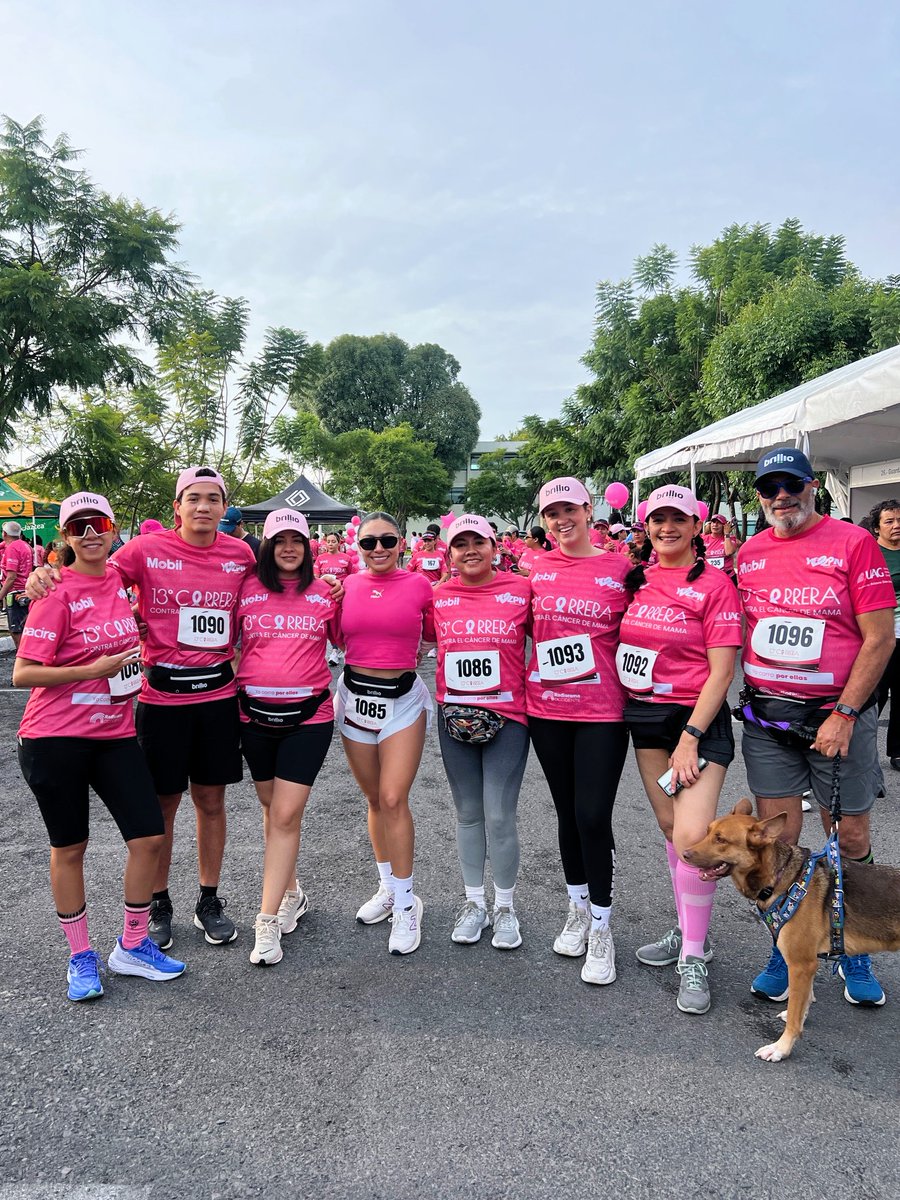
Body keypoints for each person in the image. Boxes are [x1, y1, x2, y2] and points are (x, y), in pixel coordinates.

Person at [736, 448, 895, 1006]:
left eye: (792, 484)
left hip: (837, 716)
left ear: (812, 488)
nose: (781, 495)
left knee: (848, 839)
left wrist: (846, 713)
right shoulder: (749, 552)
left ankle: (854, 949)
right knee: (777, 840)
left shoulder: (854, 543)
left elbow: (880, 638)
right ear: (760, 496)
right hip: (768, 719)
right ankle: (787, 947)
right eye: (769, 487)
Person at [14, 492, 185, 1001]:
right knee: (71, 848)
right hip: (54, 738)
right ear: (65, 537)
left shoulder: (114, 579)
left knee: (148, 837)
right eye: (78, 527)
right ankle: (80, 956)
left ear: (112, 531)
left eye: (100, 524)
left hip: (113, 735)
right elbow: (24, 673)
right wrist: (91, 670)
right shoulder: (54, 591)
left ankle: (131, 947)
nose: (90, 533)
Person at [619, 485, 742, 1014]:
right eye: (658, 519)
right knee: (671, 830)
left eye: (678, 519)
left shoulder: (715, 584)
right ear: (646, 526)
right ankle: (692, 930)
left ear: (697, 526)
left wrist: (691, 737)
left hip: (698, 722)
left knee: (693, 835)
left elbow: (723, 669)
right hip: (645, 715)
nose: (667, 527)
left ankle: (693, 954)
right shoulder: (634, 578)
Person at [527, 476, 631, 986]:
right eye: (551, 513)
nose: (561, 520)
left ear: (590, 511)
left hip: (602, 712)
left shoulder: (622, 568)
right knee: (567, 813)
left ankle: (602, 924)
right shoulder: (531, 568)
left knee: (593, 815)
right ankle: (577, 905)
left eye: (569, 509)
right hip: (546, 710)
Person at [237, 509, 340, 967]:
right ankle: (292, 891)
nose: (289, 548)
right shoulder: (245, 590)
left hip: (309, 718)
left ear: (308, 546)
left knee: (283, 815)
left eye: (297, 540)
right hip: (253, 717)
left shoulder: (327, 593)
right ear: (267, 546)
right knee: (272, 810)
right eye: (280, 540)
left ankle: (266, 920)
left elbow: (357, 636)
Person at [337, 512, 435, 954]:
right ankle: (388, 888)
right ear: (356, 546)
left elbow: (435, 634)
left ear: (401, 543)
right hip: (355, 697)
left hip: (402, 701)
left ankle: (408, 903)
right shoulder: (344, 588)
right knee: (375, 799)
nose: (378, 549)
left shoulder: (419, 585)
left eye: (387, 540)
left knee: (395, 798)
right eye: (368, 542)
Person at [433, 514, 531, 949]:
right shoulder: (436, 596)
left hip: (508, 716)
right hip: (454, 716)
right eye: (460, 544)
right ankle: (475, 904)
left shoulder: (522, 589)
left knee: (498, 814)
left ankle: (506, 907)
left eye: (479, 542)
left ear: (495, 547)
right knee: (468, 814)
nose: (470, 550)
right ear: (450, 553)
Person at [870, 498, 900, 770]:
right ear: (877, 527)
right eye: (889, 521)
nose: (896, 526)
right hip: (880, 635)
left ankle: (898, 752)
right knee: (874, 696)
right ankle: (864, 757)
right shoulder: (871, 554)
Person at [0, 520, 33, 647]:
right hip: (25, 591)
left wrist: (0, 595)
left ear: (4, 533)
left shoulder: (12, 548)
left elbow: (11, 577)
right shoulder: (25, 545)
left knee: (16, 630)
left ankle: (23, 660)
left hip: (15, 594)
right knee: (25, 627)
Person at [704, 514, 740, 579]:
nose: (715, 525)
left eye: (719, 523)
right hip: (709, 577)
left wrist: (727, 534)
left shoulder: (730, 538)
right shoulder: (703, 539)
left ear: (725, 526)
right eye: (713, 522)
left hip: (727, 576)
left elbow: (729, 552)